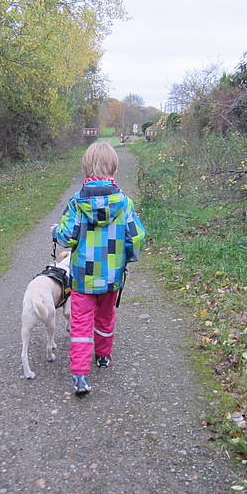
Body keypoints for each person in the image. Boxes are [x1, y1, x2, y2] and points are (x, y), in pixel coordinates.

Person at [51, 142, 146, 395]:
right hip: (112, 276)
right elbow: (136, 236)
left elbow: (68, 236)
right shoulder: (124, 203)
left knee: (81, 324)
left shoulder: (76, 203)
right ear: (114, 168)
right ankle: (103, 356)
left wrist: (55, 231)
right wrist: (127, 256)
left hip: (83, 278)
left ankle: (80, 375)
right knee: (105, 317)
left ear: (86, 168)